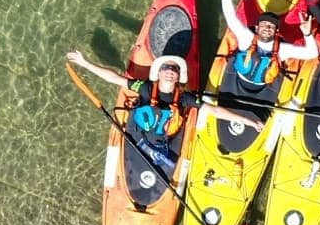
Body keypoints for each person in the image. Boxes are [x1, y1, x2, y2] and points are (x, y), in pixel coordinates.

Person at [66, 50, 263, 169]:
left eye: (174, 70)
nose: (170, 71)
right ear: (159, 73)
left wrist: (250, 122)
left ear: (178, 77)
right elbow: (114, 78)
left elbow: (215, 111)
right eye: (166, 68)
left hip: (166, 140)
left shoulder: (185, 98)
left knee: (169, 163)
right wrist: (85, 63)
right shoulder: (143, 88)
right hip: (139, 135)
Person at [221, 0, 319, 88]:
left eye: (271, 26)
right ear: (256, 28)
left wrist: (307, 34)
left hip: (263, 82)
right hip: (241, 76)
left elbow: (312, 54)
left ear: (277, 31)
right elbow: (231, 18)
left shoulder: (283, 50)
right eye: (264, 25)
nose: (267, 28)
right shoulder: (246, 38)